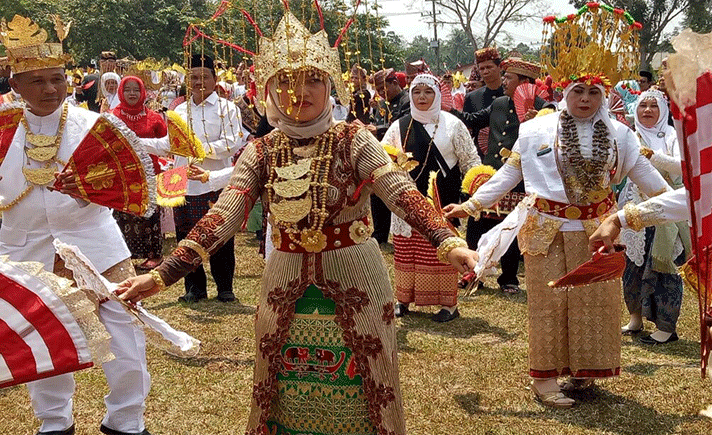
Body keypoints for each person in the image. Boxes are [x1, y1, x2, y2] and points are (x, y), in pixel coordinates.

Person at [116, 11, 478, 435]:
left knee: (364, 385)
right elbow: (223, 216)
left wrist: (449, 242)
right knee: (282, 384)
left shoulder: (353, 139)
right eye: (285, 82)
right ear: (268, 90)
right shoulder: (263, 149)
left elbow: (399, 191)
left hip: (356, 274)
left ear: (331, 85)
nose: (298, 92)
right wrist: (161, 275)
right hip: (283, 277)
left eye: (312, 80)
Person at [444, 6, 669, 408]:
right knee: (549, 306)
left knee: (594, 307)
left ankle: (584, 374)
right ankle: (545, 381)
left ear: (605, 95)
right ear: (565, 94)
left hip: (598, 234)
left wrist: (681, 204)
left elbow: (651, 182)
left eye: (593, 92)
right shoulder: (535, 130)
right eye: (578, 92)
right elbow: (509, 175)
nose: (585, 99)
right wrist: (474, 203)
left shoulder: (621, 134)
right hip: (545, 231)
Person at [0, 15, 151, 435]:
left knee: (125, 337)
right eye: (37, 81)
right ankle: (54, 423)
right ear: (14, 85)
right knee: (43, 337)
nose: (50, 89)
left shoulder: (95, 127)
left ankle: (126, 421)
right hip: (24, 249)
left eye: (57, 78)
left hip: (95, 244)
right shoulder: (2, 130)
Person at [142, 53, 248, 303]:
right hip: (184, 183)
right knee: (186, 236)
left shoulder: (227, 108)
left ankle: (224, 287)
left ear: (214, 79)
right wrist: (138, 143)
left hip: (212, 180)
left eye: (204, 76)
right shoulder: (179, 109)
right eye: (194, 77)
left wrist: (198, 148)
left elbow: (233, 142)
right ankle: (194, 288)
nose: (199, 82)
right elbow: (169, 144)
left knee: (219, 235)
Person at [383, 73, 480, 322]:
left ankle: (449, 305)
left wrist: (473, 196)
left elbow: (470, 161)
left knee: (442, 251)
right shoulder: (399, 126)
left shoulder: (453, 124)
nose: (422, 97)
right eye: (417, 92)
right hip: (406, 201)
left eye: (428, 92)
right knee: (407, 252)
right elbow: (383, 157)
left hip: (442, 201)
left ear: (437, 95)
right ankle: (403, 300)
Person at [449, 57, 547, 294]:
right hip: (490, 174)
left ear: (525, 82)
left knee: (511, 227)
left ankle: (509, 278)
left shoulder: (544, 109)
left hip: (519, 178)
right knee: (476, 225)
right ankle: (474, 273)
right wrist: (447, 108)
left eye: (509, 77)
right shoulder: (500, 102)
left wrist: (538, 122)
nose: (503, 81)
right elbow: (473, 121)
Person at [617, 89, 689, 344]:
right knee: (632, 267)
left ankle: (666, 328)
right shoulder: (629, 135)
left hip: (665, 210)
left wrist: (653, 156)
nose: (647, 111)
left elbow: (684, 165)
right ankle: (635, 318)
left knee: (663, 267)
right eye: (642, 106)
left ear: (663, 110)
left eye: (653, 106)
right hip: (632, 208)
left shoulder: (672, 135)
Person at [112, 76, 168, 270]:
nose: (132, 93)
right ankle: (122, 256)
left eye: (136, 89)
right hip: (122, 173)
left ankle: (154, 255)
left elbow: (166, 145)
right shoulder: (112, 116)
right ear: (121, 92)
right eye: (128, 89)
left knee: (149, 213)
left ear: (143, 92)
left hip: (148, 172)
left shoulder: (154, 117)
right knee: (121, 214)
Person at [462, 47, 504, 157]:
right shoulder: (472, 97)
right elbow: (468, 126)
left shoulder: (509, 93)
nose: (485, 71)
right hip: (482, 156)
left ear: (500, 67)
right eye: (482, 68)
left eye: (489, 67)